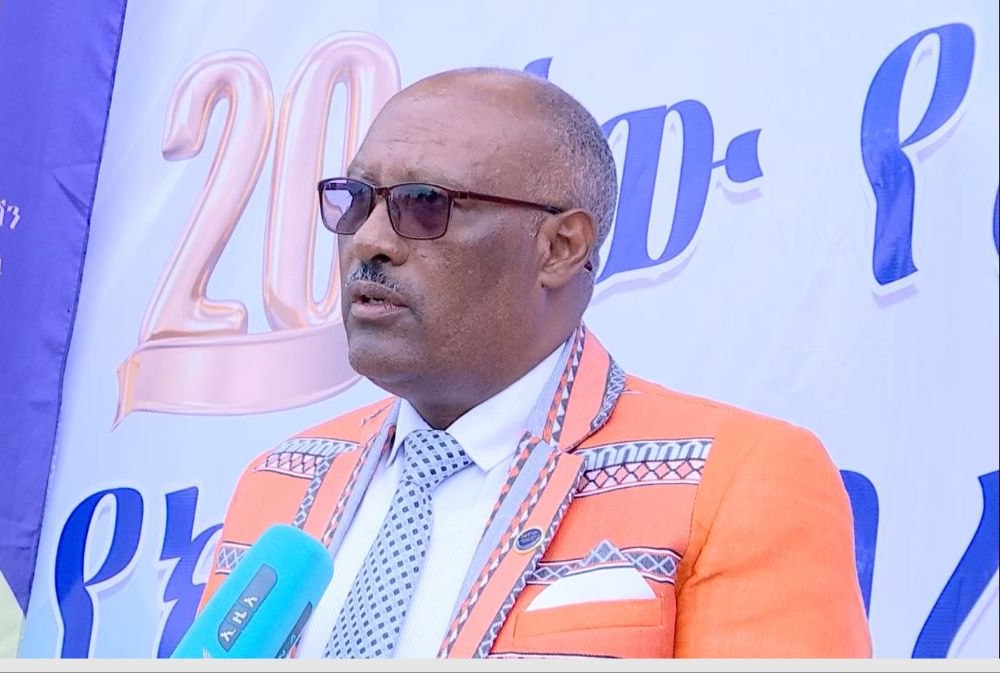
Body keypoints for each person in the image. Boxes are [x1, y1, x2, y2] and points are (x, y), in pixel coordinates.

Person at [197, 67, 871, 658]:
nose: (369, 240)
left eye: (424, 205)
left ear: (560, 247)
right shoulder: (285, 478)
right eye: (358, 200)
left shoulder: (732, 478)